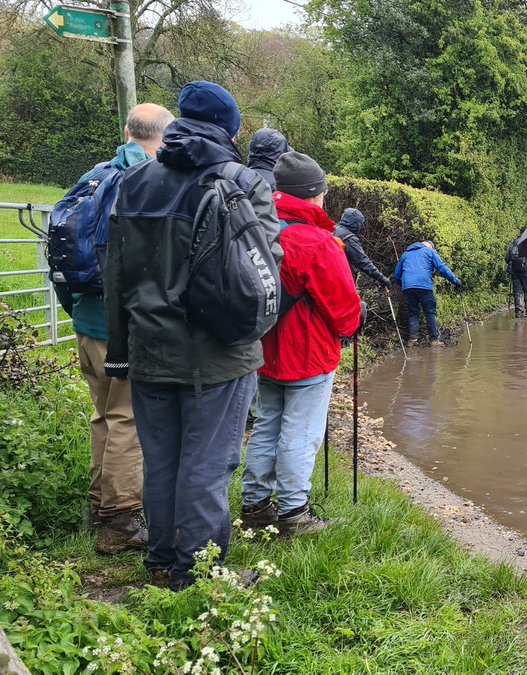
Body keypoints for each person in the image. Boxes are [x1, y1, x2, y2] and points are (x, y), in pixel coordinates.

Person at [105, 81, 282, 590]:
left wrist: (121, 351)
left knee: (161, 461)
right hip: (219, 355)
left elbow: (114, 270)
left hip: (147, 349)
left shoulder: (135, 182)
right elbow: (268, 266)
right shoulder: (244, 182)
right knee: (207, 465)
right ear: (230, 129)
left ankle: (162, 561)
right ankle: (199, 573)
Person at [56, 103, 174, 555]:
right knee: (128, 418)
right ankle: (120, 521)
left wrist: (77, 312)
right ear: (164, 139)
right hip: (121, 326)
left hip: (87, 319)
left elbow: (62, 251)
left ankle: (99, 504)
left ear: (126, 131)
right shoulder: (143, 182)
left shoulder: (93, 176)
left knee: (103, 414)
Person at [240, 153, 363, 537]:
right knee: (301, 432)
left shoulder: (256, 228)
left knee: (265, 426)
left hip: (263, 349)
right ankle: (294, 513)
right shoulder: (318, 242)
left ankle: (255, 506)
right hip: (307, 355)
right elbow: (344, 311)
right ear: (317, 195)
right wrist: (358, 319)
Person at [394, 240, 462, 347]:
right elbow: (442, 267)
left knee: (413, 313)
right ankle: (434, 340)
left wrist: (403, 284)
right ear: (430, 247)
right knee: (430, 312)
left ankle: (412, 340)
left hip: (407, 287)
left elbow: (396, 275)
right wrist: (455, 281)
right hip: (424, 285)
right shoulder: (430, 251)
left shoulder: (405, 254)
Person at [333, 208, 391, 289]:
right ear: (357, 224)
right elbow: (362, 261)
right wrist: (382, 278)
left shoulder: (329, 230)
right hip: (341, 281)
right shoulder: (349, 238)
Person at [505, 236, 527, 317]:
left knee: (517, 292)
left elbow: (507, 259)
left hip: (515, 273)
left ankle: (519, 311)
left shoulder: (512, 245)